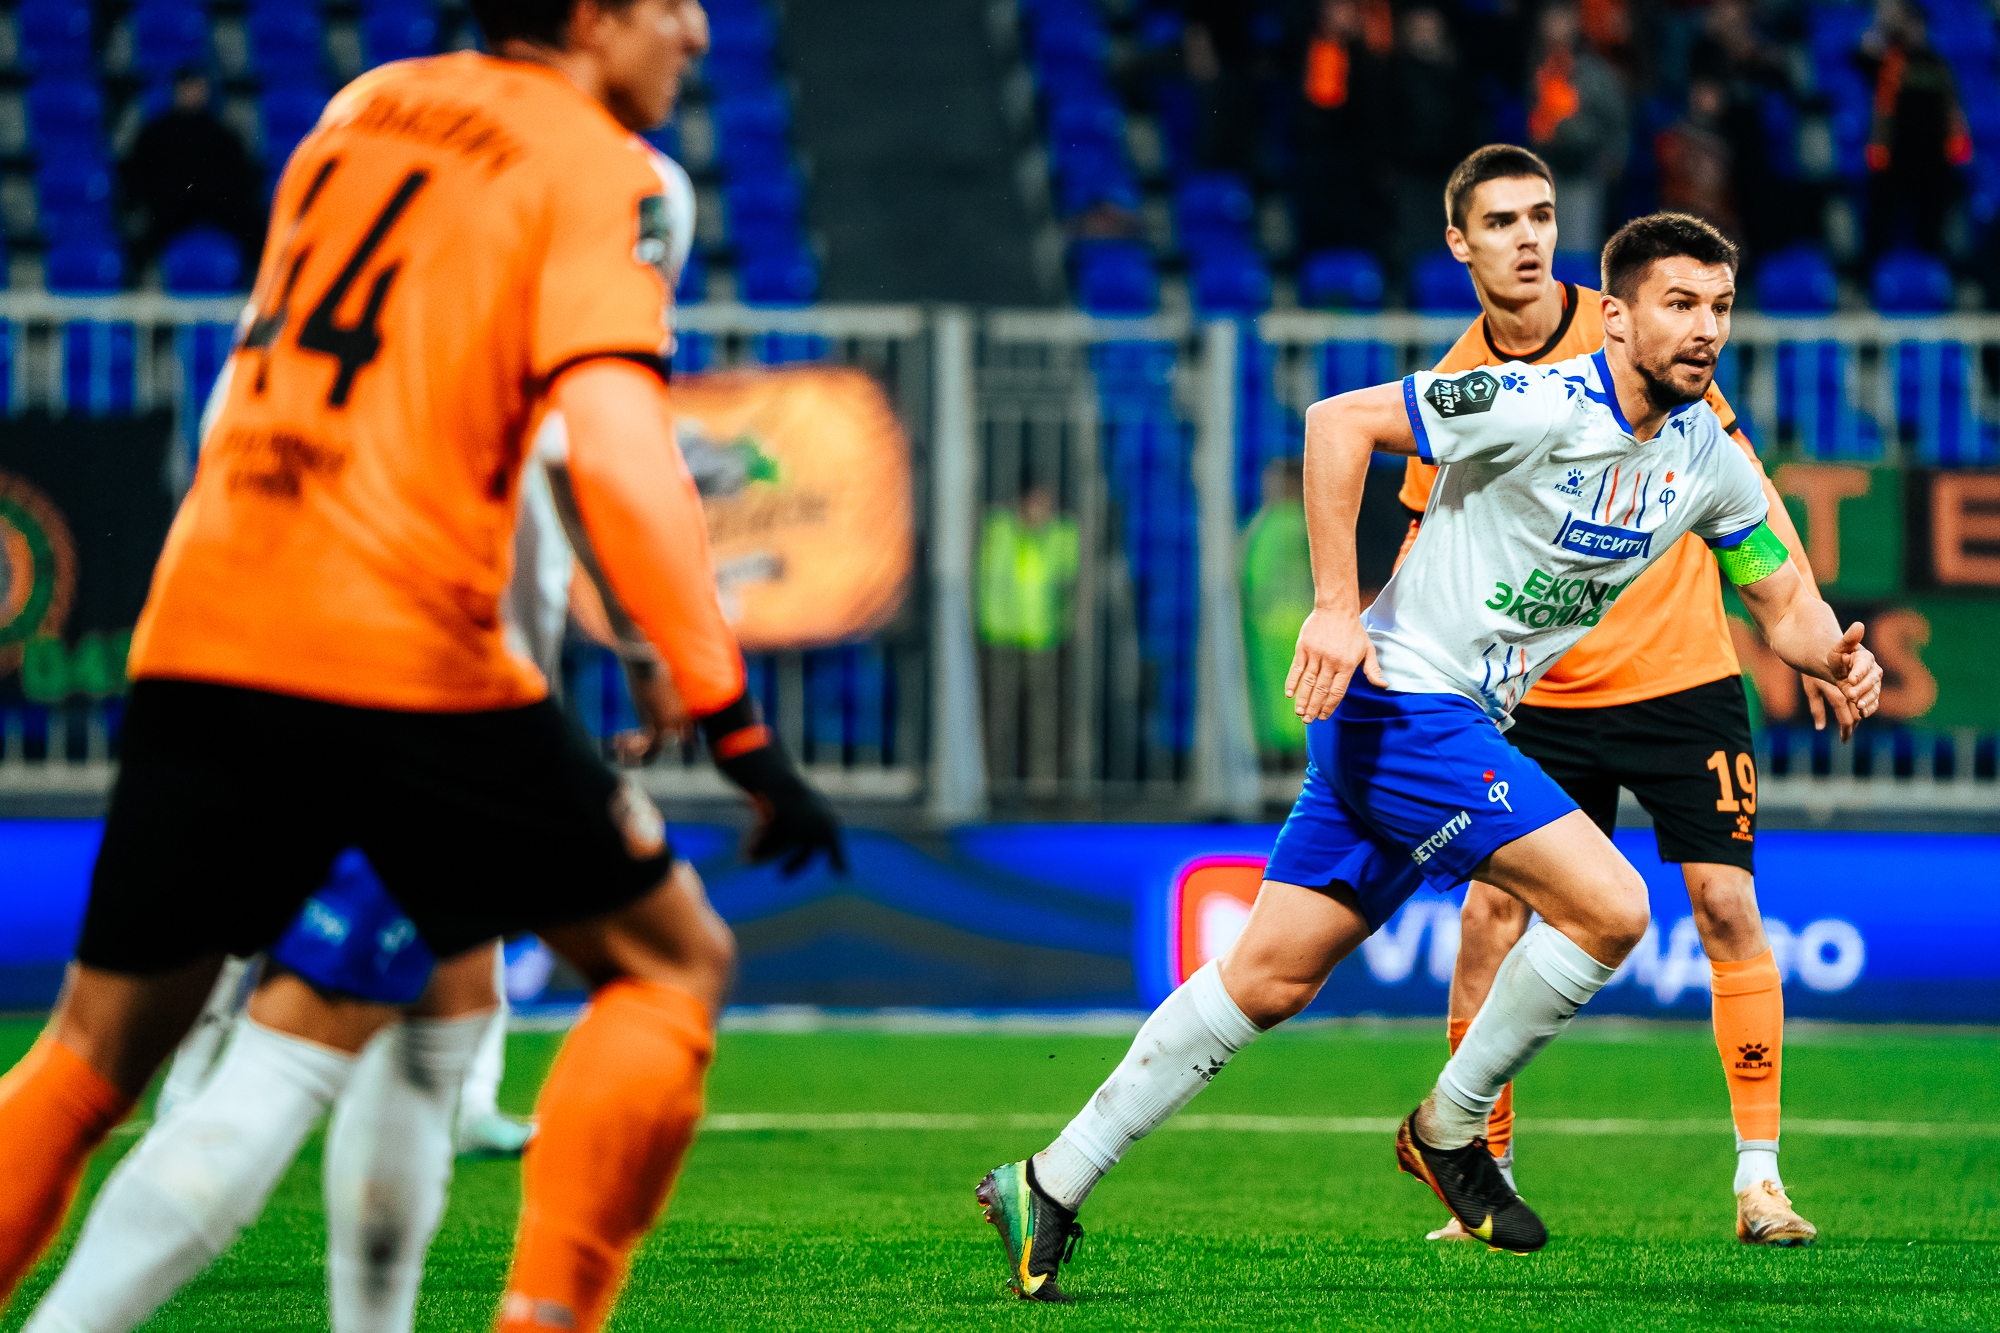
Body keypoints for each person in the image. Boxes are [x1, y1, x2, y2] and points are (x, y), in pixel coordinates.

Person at [0, 4, 846, 1333]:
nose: (695, 31)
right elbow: (616, 452)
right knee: (668, 961)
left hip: (207, 620)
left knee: (97, 1054)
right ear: (590, 18)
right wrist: (733, 721)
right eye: (669, 3)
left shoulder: (361, 111)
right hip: (400, 656)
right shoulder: (600, 170)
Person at [976, 211, 1881, 1300]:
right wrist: (1332, 606)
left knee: (1269, 976)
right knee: (1611, 907)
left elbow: (1781, 598)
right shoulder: (1535, 401)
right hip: (1405, 705)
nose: (1704, 329)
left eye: (1720, 308)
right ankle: (1450, 1126)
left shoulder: (1708, 462)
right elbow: (1335, 423)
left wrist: (1833, 654)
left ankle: (1048, 1180)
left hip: (1421, 721)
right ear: (1615, 315)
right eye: (1678, 304)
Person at [1399, 144, 1841, 1248]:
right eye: (1501, 222)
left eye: (1540, 216)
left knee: (1726, 906)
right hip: (1540, 690)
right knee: (1491, 917)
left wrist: (1819, 636)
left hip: (1681, 675)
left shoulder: (1649, 328)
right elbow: (1420, 537)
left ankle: (1759, 1181)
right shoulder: (1459, 381)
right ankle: (1481, 1168)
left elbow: (1746, 503)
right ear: (1460, 244)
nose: (1526, 239)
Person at [1855, 0, 1973, 262]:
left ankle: (1936, 272)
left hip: (1933, 159)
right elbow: (1860, 56)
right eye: (1910, 24)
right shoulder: (1889, 59)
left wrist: (1959, 151)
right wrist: (1884, 23)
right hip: (1893, 158)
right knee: (1879, 226)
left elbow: (1952, 110)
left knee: (1932, 230)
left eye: (1919, 24)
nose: (1916, 30)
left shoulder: (1938, 65)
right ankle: (1873, 271)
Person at [120, 68, 264, 274]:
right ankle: (139, 285)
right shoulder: (155, 134)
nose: (193, 93)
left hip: (214, 207)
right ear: (176, 90)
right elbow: (137, 177)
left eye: (198, 88)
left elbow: (240, 179)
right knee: (139, 232)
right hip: (169, 209)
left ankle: (255, 284)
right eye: (187, 87)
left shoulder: (222, 135)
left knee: (255, 225)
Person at [1524, 5, 1626, 258]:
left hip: (1584, 171)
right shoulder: (1536, 68)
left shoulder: (1592, 71)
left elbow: (1615, 118)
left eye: (1562, 19)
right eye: (1552, 19)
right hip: (1547, 173)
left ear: (1574, 23)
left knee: (1580, 249)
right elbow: (1529, 118)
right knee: (1546, 251)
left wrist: (1614, 154)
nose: (1556, 27)